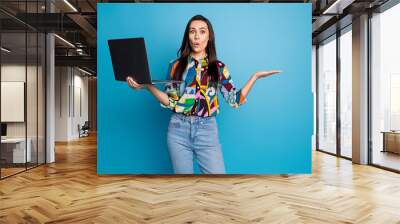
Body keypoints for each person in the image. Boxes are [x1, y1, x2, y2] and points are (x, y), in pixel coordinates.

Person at [126, 15, 281, 174]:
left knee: (217, 184)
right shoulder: (176, 65)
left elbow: (234, 100)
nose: (196, 36)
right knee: (184, 187)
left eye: (202, 31)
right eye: (192, 31)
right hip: (178, 130)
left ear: (209, 37)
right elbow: (171, 102)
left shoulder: (218, 67)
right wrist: (147, 86)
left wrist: (255, 77)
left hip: (207, 130)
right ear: (188, 36)